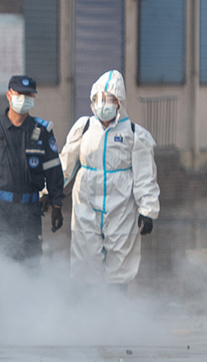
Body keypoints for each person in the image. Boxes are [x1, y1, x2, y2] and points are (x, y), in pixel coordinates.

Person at [59, 70, 160, 286]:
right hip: (85, 203)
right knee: (85, 261)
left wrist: (148, 210)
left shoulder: (134, 134)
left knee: (120, 262)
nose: (103, 104)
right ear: (93, 100)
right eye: (99, 99)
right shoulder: (84, 128)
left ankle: (115, 312)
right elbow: (65, 163)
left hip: (120, 207)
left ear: (119, 102)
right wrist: (48, 192)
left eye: (110, 99)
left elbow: (145, 176)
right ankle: (88, 313)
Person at [0, 75, 64, 261]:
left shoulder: (41, 131)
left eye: (29, 95)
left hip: (30, 211)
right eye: (19, 94)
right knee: (0, 261)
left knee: (31, 263)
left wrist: (57, 203)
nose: (24, 99)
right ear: (9, 95)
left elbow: (53, 170)